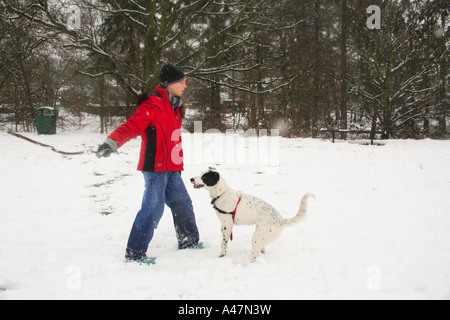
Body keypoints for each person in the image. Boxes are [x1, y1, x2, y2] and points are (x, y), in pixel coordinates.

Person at [97, 64, 201, 264]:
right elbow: (131, 126)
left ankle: (188, 241)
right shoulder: (152, 104)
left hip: (172, 167)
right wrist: (111, 143)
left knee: (183, 204)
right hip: (154, 168)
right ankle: (135, 254)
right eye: (181, 81)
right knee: (153, 209)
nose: (185, 85)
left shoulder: (175, 106)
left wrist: (177, 163)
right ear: (168, 84)